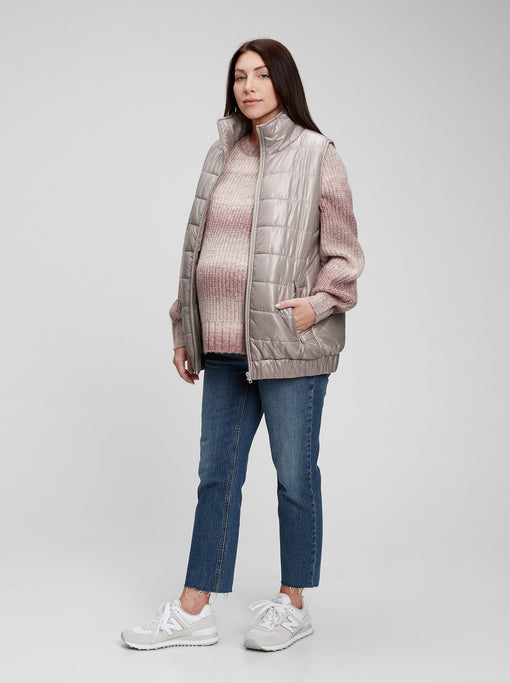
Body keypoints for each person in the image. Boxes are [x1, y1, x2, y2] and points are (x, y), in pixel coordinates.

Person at [121, 37, 364, 652]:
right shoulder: (222, 152)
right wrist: (185, 327)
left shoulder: (317, 154)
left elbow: (344, 254)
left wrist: (316, 305)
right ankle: (194, 609)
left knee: (294, 478)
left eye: (260, 75)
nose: (249, 87)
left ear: (283, 81)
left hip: (288, 346)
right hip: (225, 347)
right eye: (239, 77)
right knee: (216, 478)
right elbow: (197, 246)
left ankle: (293, 604)